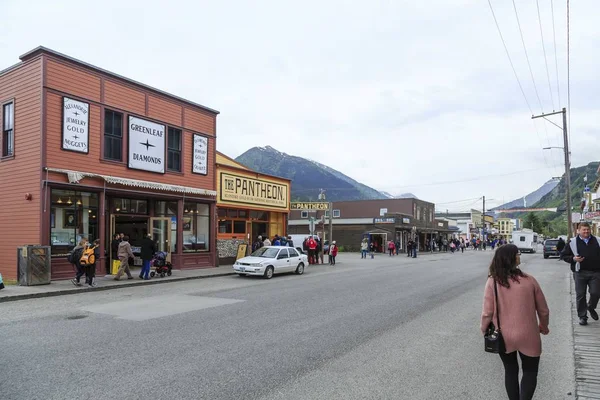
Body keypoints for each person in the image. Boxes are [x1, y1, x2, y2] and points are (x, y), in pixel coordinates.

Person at [481, 244, 549, 400]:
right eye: (517, 253)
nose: (519, 256)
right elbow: (543, 310)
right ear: (510, 258)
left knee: (510, 370)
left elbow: (487, 313)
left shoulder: (493, 282)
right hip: (529, 334)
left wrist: (484, 329)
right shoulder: (530, 280)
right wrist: (543, 326)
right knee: (530, 371)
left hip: (504, 335)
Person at [561, 222, 600, 326]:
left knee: (596, 293)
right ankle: (583, 317)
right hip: (580, 273)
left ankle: (591, 307)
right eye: (584, 230)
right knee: (580, 295)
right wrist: (573, 259)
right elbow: (564, 255)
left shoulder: (598, 241)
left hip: (595, 272)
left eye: (588, 229)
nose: (586, 231)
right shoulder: (572, 242)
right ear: (578, 231)